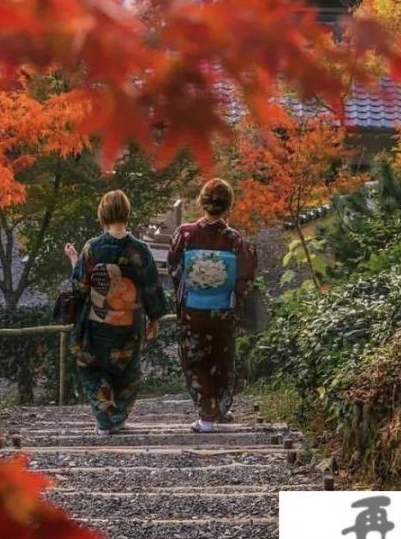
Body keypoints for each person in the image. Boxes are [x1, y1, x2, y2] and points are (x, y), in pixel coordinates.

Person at [63, 189, 166, 435]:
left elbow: (79, 287)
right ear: (127, 213)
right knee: (127, 371)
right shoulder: (140, 250)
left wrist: (75, 261)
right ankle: (117, 417)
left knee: (92, 367)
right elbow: (151, 287)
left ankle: (104, 417)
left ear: (103, 214)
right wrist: (154, 317)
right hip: (129, 323)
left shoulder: (93, 247)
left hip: (97, 323)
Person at [167, 177, 256, 433]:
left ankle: (207, 413)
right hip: (223, 310)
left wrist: (185, 296)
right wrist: (234, 298)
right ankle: (218, 407)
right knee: (221, 357)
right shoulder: (234, 239)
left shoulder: (185, 233)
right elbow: (245, 277)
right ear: (229, 205)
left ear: (202, 202)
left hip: (194, 309)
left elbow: (174, 270)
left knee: (196, 360)